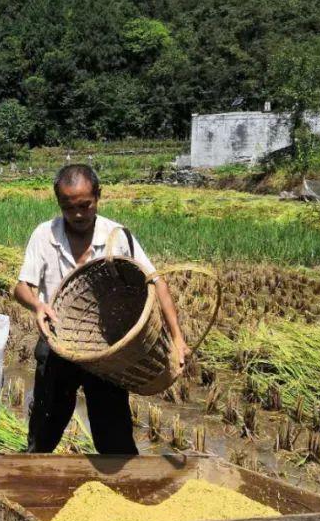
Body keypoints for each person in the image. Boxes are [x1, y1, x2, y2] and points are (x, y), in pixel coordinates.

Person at [13, 164, 189, 455]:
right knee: (44, 431)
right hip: (58, 345)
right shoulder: (44, 235)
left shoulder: (117, 236)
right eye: (69, 207)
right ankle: (35, 477)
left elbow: (157, 282)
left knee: (114, 435)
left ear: (98, 196)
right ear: (59, 203)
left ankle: (121, 489)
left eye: (86, 205)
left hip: (107, 349)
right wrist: (37, 304)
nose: (79, 214)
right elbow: (21, 287)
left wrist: (178, 339)